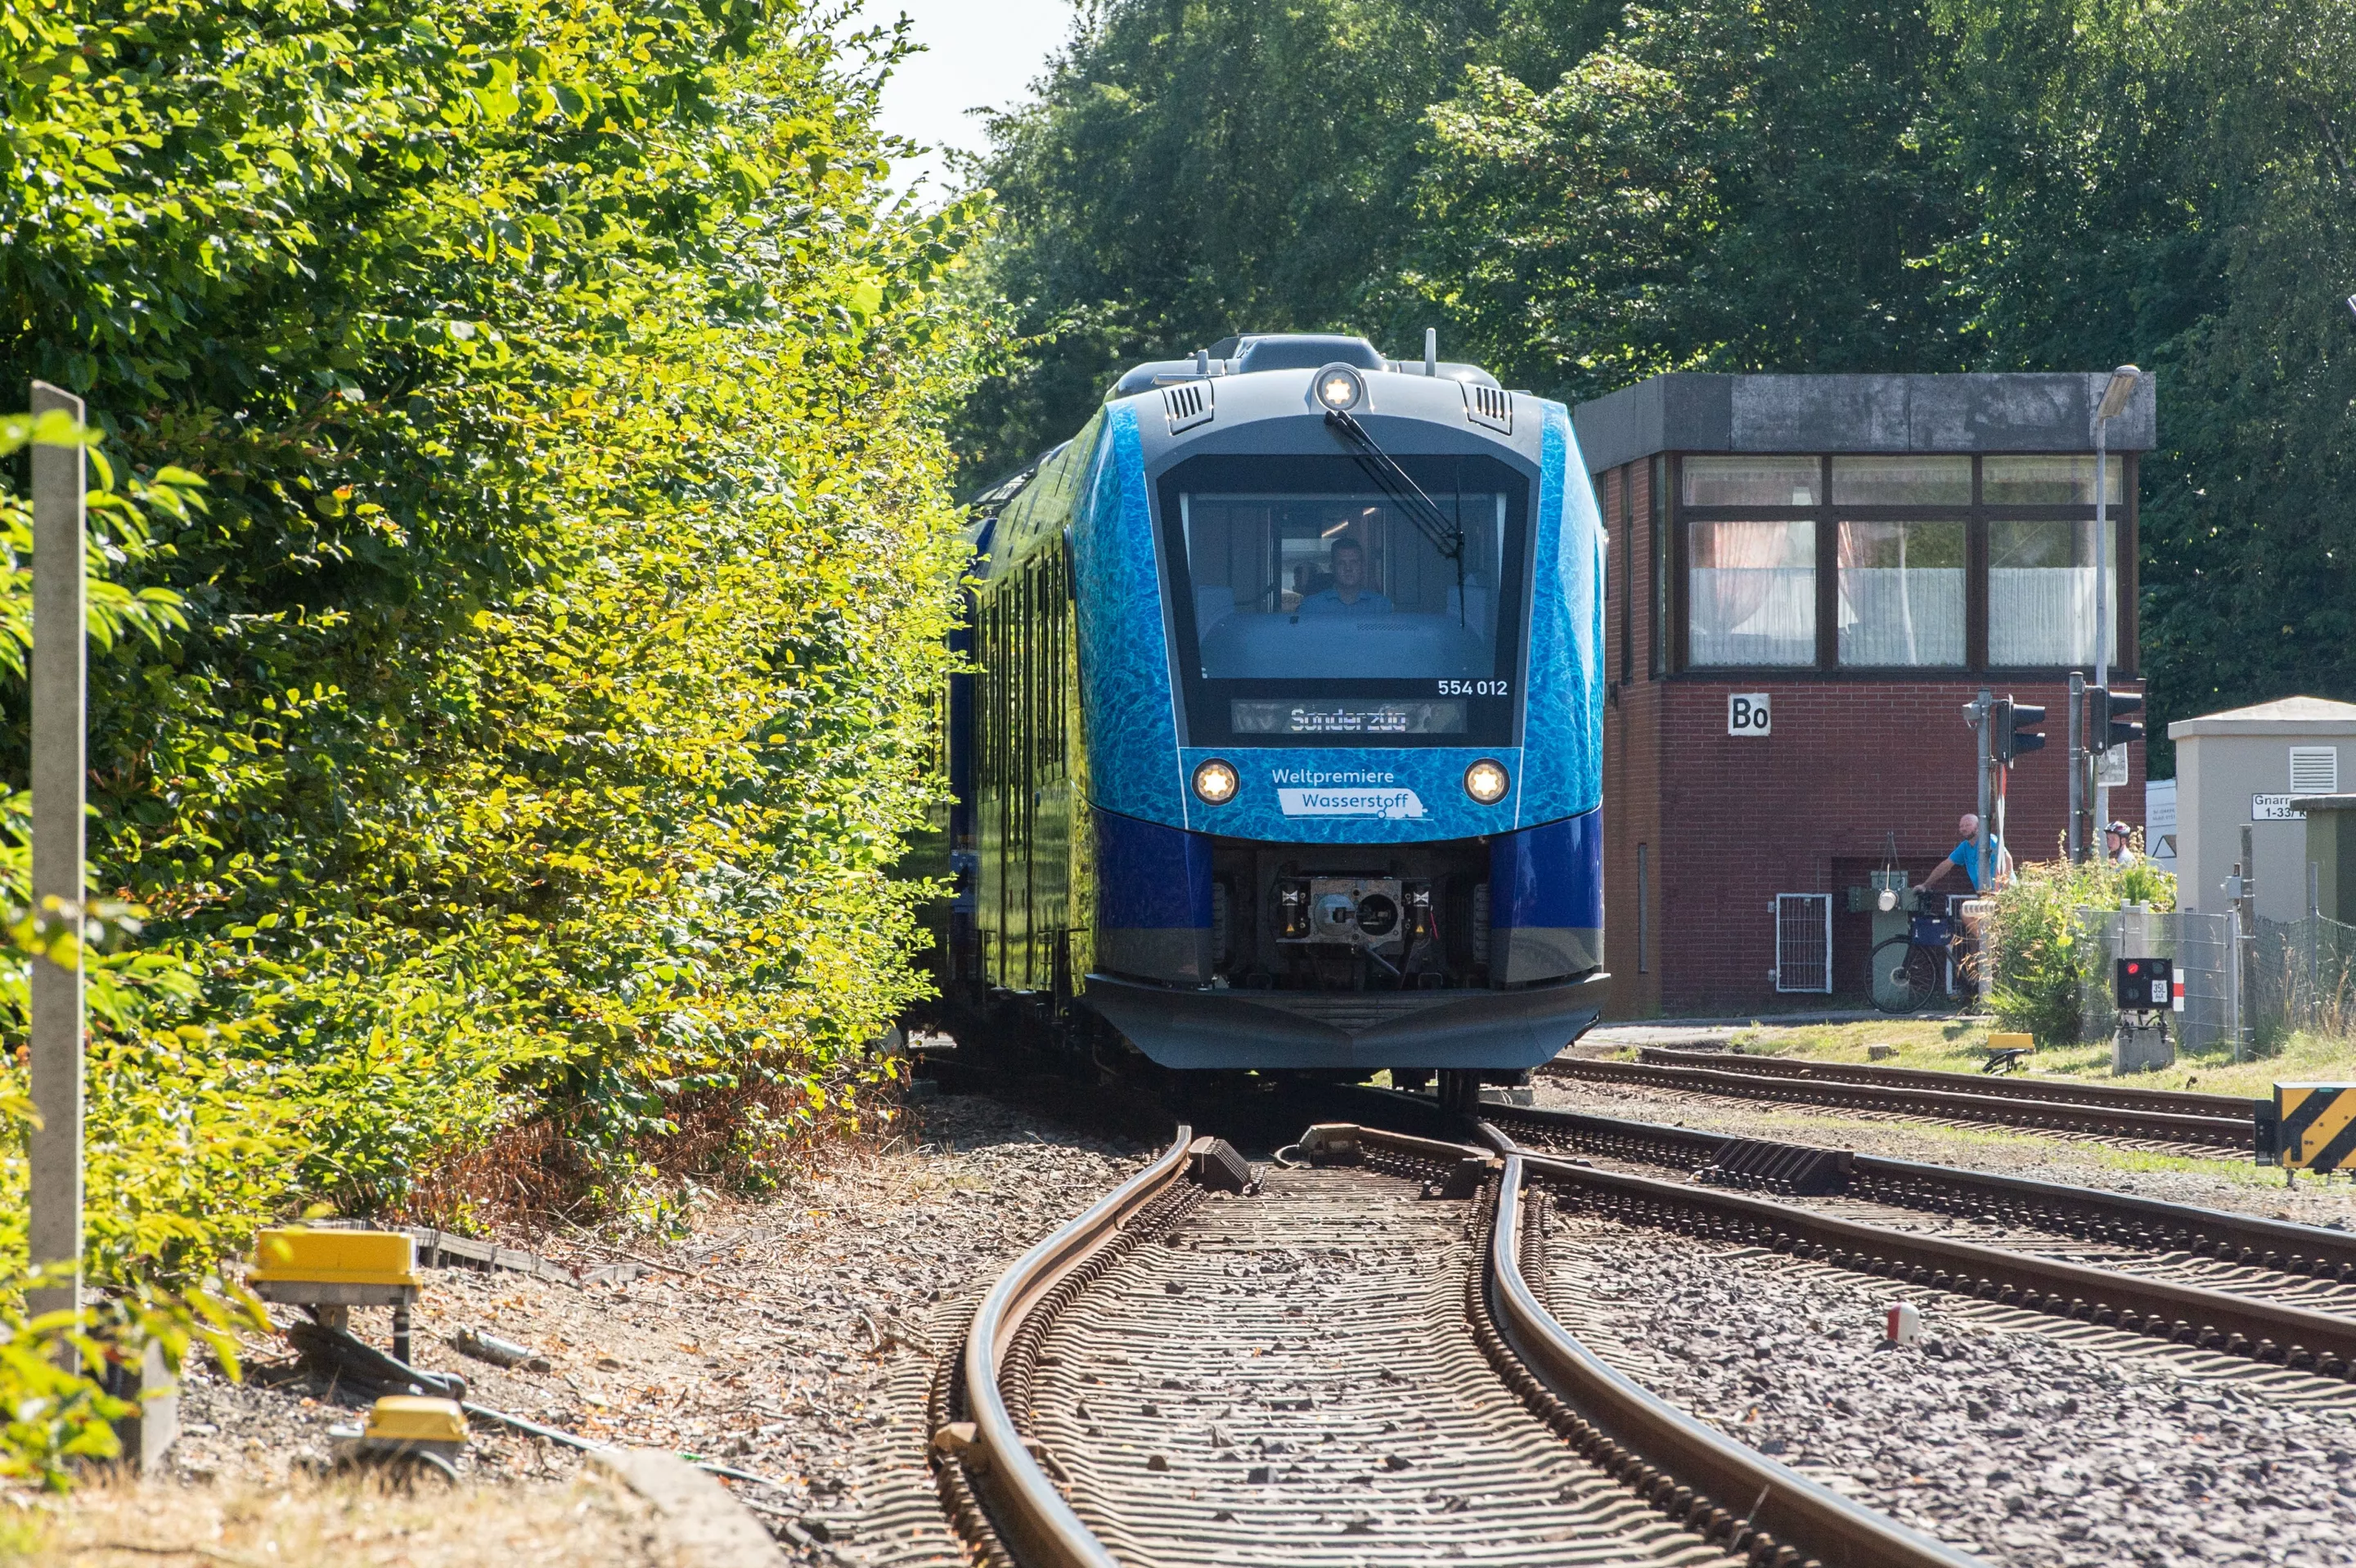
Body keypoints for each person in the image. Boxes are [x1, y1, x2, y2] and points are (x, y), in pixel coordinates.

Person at [1916, 812, 2010, 897]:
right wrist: (1925, 885)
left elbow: (2007, 859)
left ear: (1978, 827)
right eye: (1961, 826)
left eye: (1968, 825)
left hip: (2003, 895)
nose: (1964, 829)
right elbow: (1945, 866)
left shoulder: (1989, 840)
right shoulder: (1964, 847)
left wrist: (2004, 888)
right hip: (1985, 895)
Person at [1297, 537, 1392, 614]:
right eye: (1342, 563)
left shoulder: (1381, 606)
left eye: (1354, 562)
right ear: (1332, 568)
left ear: (1362, 567)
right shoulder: (1311, 606)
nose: (1348, 568)